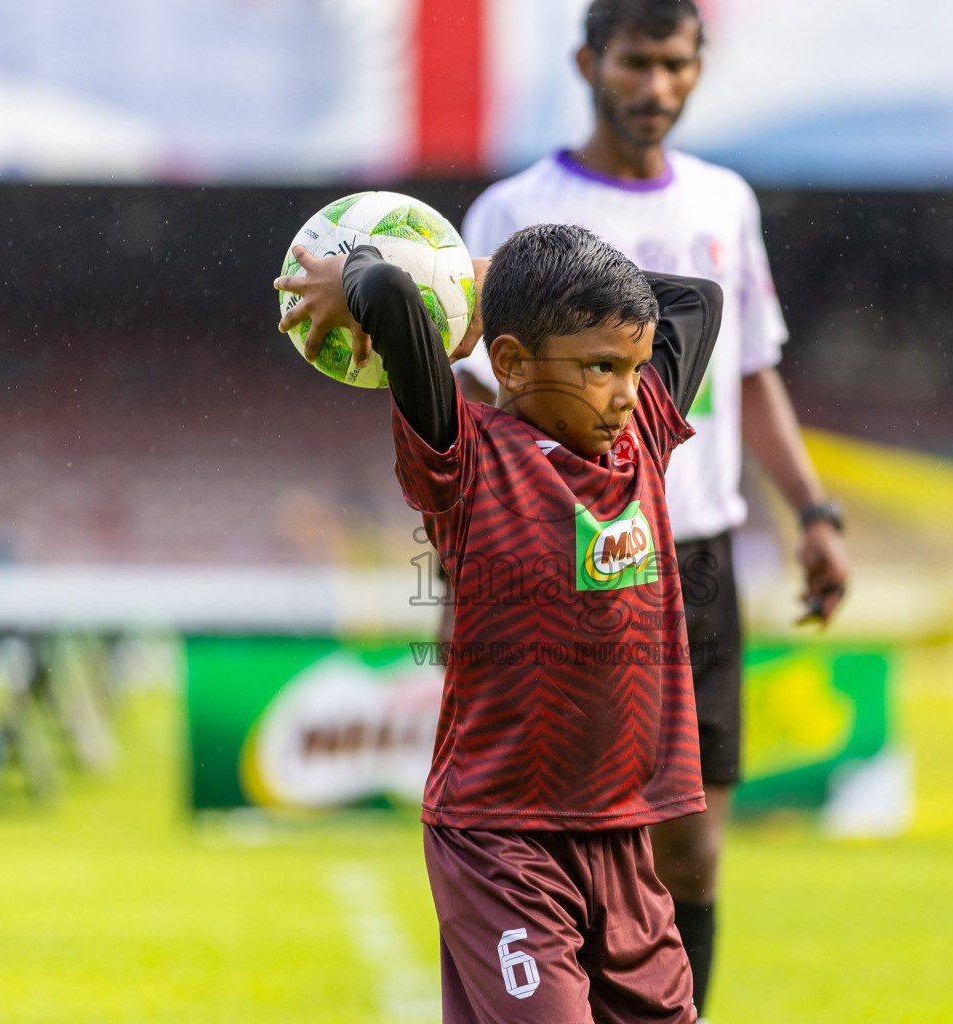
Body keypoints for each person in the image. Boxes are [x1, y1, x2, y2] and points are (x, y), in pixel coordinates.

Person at [452, 0, 852, 1012]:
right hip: (556, 566)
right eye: (636, 63)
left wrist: (811, 512)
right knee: (545, 838)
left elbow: (753, 370)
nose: (656, 86)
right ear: (590, 61)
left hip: (696, 555)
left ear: (698, 67)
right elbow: (467, 395)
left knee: (692, 850)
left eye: (677, 64)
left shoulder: (724, 203)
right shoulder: (512, 209)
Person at [275, 223, 723, 1022]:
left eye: (632, 366)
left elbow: (700, 299)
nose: (627, 390)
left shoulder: (641, 435)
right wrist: (432, 280)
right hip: (501, 837)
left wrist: (496, 275)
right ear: (510, 363)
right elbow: (385, 293)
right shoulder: (465, 456)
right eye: (599, 368)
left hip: (622, 835)